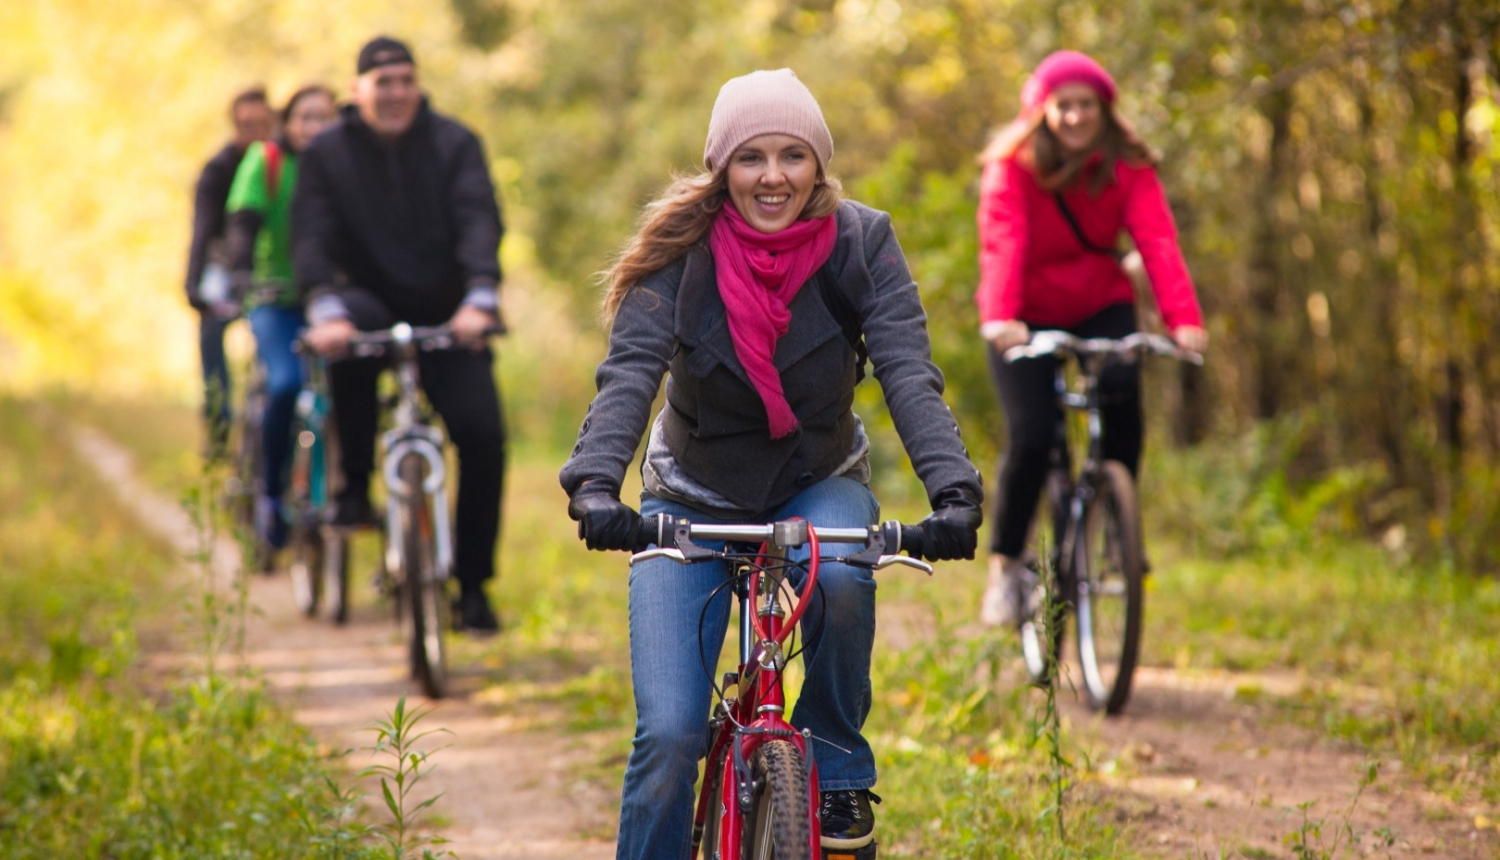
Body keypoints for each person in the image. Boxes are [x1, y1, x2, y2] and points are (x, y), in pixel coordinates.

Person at [559, 68, 984, 860]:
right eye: (752, 157)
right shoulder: (681, 251)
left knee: (844, 574)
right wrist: (594, 484)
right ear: (723, 167)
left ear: (819, 164)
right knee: (671, 736)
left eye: (794, 155)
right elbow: (630, 373)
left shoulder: (863, 242)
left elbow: (906, 370)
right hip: (687, 497)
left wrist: (953, 491)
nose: (774, 176)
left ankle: (837, 766)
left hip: (817, 479)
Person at [974, 50, 1208, 627]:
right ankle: (1007, 566)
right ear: (1043, 110)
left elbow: (1157, 240)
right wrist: (1003, 316)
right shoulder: (1015, 166)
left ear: (1104, 110)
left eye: (1087, 105)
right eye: (1065, 106)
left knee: (1125, 395)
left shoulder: (1127, 165)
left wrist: (1183, 320)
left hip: (1101, 302)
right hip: (1023, 314)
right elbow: (1004, 242)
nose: (1077, 117)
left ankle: (1113, 522)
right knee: (1032, 436)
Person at [294, 37, 506, 634]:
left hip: (448, 309)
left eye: (404, 80)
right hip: (364, 303)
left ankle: (472, 587)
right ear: (357, 89)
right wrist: (324, 307)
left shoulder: (454, 143)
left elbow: (478, 220)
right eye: (381, 82)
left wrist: (481, 295)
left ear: (417, 86)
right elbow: (309, 234)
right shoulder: (327, 153)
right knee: (349, 341)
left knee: (483, 436)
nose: (394, 93)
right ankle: (355, 485)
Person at [224, 84, 338, 551]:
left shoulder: (341, 165)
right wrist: (240, 272)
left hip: (327, 300)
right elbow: (243, 222)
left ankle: (335, 490)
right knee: (286, 383)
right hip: (275, 298)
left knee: (339, 392)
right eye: (305, 117)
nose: (315, 127)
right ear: (285, 123)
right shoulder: (267, 162)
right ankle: (270, 493)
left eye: (325, 117)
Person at [184, 87, 275, 456]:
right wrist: (193, 283)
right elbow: (202, 228)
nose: (253, 132)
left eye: (261, 124)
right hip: (225, 266)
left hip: (273, 268)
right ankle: (219, 421)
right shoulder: (218, 169)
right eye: (245, 125)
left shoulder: (285, 161)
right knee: (211, 329)